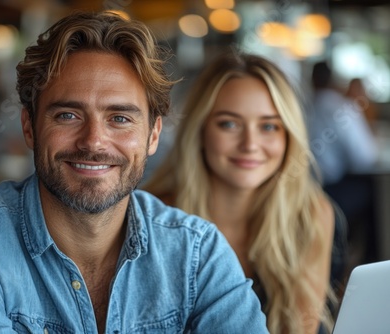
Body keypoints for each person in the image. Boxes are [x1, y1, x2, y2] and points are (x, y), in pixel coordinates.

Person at [0, 12, 268, 333]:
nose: (94, 142)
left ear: (153, 135)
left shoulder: (198, 252)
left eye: (120, 118)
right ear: (29, 127)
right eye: (68, 115)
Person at [143, 52, 338, 334]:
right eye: (229, 124)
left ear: (288, 137)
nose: (250, 144)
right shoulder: (155, 217)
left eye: (269, 126)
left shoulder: (309, 214)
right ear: (200, 130)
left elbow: (300, 329)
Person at [307, 62, 378, 185]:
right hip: (337, 186)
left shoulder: (302, 106)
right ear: (332, 81)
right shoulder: (343, 108)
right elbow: (364, 157)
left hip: (305, 185)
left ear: (311, 80)